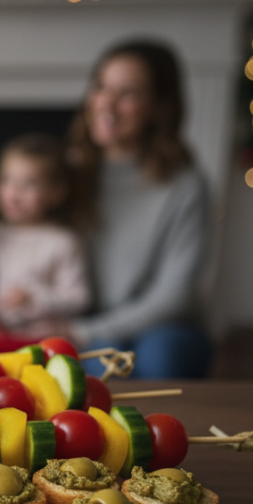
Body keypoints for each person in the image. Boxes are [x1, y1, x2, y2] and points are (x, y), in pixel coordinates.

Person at [58, 40, 212, 378]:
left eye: (127, 93)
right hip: (86, 325)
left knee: (159, 356)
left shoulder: (184, 186)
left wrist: (86, 330)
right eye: (101, 86)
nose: (107, 104)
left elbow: (175, 295)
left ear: (159, 106)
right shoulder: (66, 174)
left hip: (163, 327)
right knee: (91, 367)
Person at [0, 133, 90, 333]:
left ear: (56, 193)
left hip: (40, 338)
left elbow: (78, 299)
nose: (13, 192)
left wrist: (33, 298)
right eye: (6, 180)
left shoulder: (63, 242)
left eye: (29, 184)